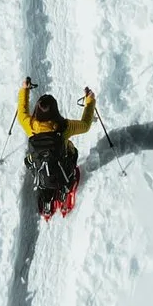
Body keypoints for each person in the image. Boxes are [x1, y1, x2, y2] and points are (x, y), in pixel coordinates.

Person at [17, 77, 98, 217]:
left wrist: (24, 90)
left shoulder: (30, 125)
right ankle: (64, 191)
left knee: (31, 161)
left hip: (41, 168)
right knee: (72, 151)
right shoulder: (65, 127)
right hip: (61, 167)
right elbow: (85, 125)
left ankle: (47, 200)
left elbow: (21, 112)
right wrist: (90, 101)